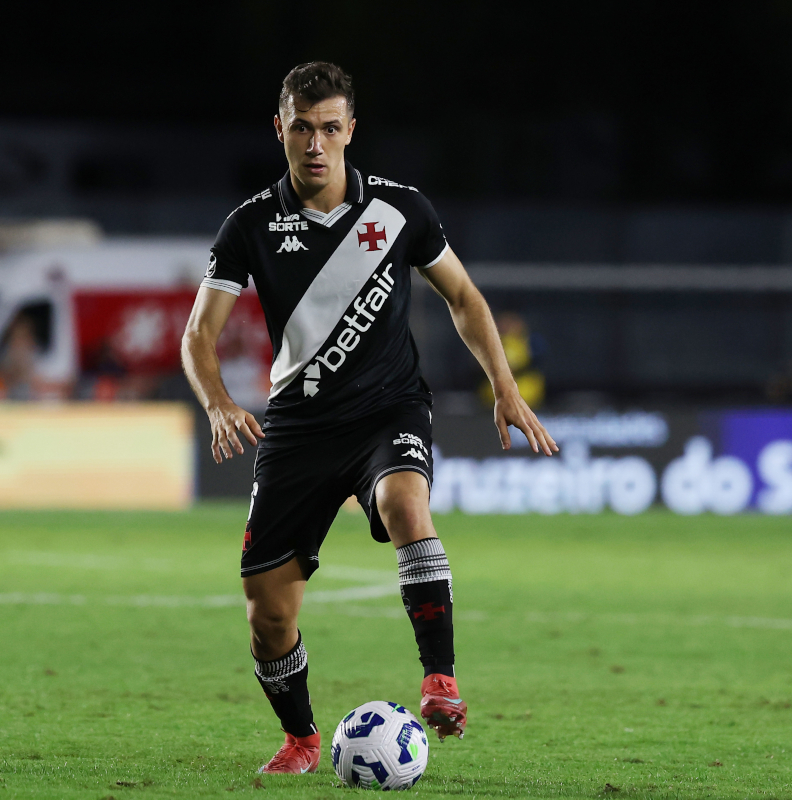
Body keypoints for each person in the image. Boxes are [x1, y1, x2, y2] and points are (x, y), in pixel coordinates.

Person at [181, 62, 557, 775]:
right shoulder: (251, 224)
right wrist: (219, 403)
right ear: (280, 129)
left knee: (406, 503)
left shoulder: (400, 210)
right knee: (267, 613)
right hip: (297, 426)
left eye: (329, 127)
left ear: (351, 130)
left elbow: (466, 298)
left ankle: (440, 682)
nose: (315, 143)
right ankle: (301, 739)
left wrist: (503, 386)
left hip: (388, 408)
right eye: (302, 127)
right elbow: (198, 334)